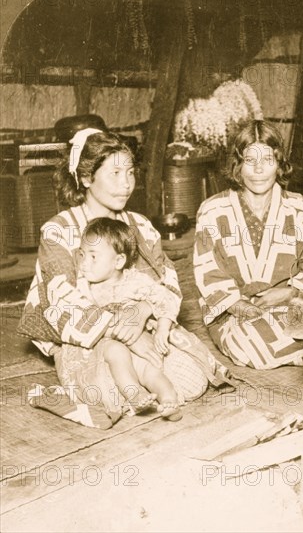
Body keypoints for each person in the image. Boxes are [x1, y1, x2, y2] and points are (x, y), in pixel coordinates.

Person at [18, 128, 223, 429]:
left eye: (130, 173)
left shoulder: (139, 224)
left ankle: (143, 390)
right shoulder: (59, 229)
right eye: (114, 173)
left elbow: (167, 281)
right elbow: (61, 299)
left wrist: (142, 313)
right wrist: (126, 333)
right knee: (109, 387)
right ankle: (126, 391)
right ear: (87, 178)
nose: (126, 184)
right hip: (87, 340)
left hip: (140, 325)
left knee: (192, 379)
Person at [193, 120, 303, 369]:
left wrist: (292, 291)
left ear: (279, 163)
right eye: (249, 160)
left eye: (267, 159)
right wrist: (242, 307)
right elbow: (208, 272)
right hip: (235, 314)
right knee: (252, 345)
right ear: (237, 164)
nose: (259, 170)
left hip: (293, 303)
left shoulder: (299, 207)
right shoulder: (213, 210)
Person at [77, 217, 184, 420]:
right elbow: (81, 316)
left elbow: (165, 298)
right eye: (82, 255)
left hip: (139, 342)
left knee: (151, 370)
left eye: (93, 257)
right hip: (108, 346)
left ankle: (170, 403)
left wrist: (163, 327)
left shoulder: (135, 281)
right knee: (117, 353)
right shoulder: (84, 287)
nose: (84, 264)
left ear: (118, 261)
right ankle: (135, 394)